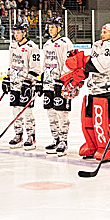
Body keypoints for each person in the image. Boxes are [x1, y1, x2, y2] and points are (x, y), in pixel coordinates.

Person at [65, 23, 110, 162]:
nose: (102, 34)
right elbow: (90, 65)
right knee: (89, 119)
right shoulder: (97, 45)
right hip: (94, 89)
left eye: (105, 32)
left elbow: (102, 65)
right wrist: (79, 76)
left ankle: (109, 147)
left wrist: (82, 62)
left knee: (106, 121)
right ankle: (93, 145)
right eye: (102, 31)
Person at [2, 20, 41, 149]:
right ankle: (18, 134)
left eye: (18, 32)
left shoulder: (32, 47)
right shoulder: (13, 46)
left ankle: (31, 136)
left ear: (24, 33)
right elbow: (11, 64)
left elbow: (36, 68)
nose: (16, 34)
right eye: (14, 32)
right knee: (15, 110)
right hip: (15, 84)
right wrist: (7, 78)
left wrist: (29, 81)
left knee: (27, 111)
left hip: (27, 85)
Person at [40, 17, 74, 156]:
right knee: (50, 112)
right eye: (49, 27)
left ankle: (63, 141)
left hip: (62, 84)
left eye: (53, 27)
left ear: (59, 28)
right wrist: (41, 79)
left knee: (62, 113)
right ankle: (55, 139)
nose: (50, 29)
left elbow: (71, 63)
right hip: (48, 83)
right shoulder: (47, 44)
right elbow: (46, 62)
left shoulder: (66, 43)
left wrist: (64, 79)